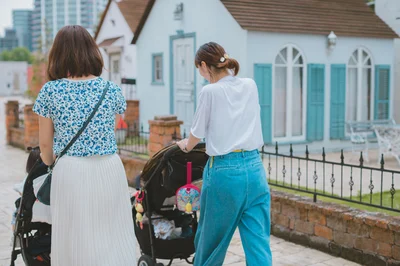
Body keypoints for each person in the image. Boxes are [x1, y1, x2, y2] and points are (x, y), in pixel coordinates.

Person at [33, 25, 136, 266]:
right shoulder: (110, 89)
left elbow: (45, 146)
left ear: (58, 55)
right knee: (110, 232)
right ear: (92, 52)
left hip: (71, 171)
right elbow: (116, 124)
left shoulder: (50, 91)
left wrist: (50, 164)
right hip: (109, 168)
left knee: (74, 235)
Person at [177, 42, 272, 266]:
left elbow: (196, 134)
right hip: (255, 169)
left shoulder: (210, 91)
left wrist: (184, 145)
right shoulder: (250, 84)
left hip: (225, 174)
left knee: (210, 244)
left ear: (203, 65)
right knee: (258, 244)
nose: (200, 74)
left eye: (198, 68)